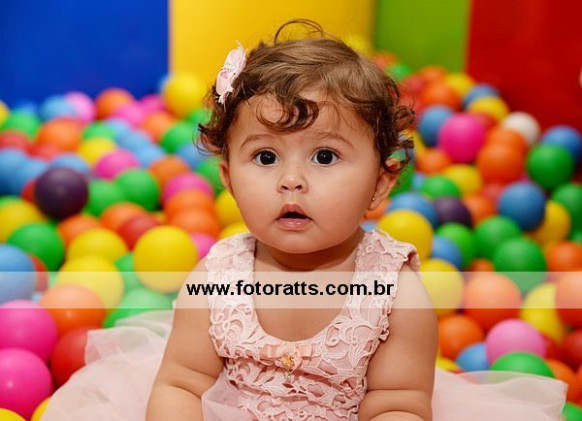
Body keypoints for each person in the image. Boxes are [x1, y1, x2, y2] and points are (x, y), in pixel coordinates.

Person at [43, 19, 567, 421]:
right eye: (266, 157)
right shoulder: (217, 277)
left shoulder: (394, 291)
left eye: (325, 156)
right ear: (228, 178)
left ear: (380, 182)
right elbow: (181, 383)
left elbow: (398, 403)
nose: (291, 181)